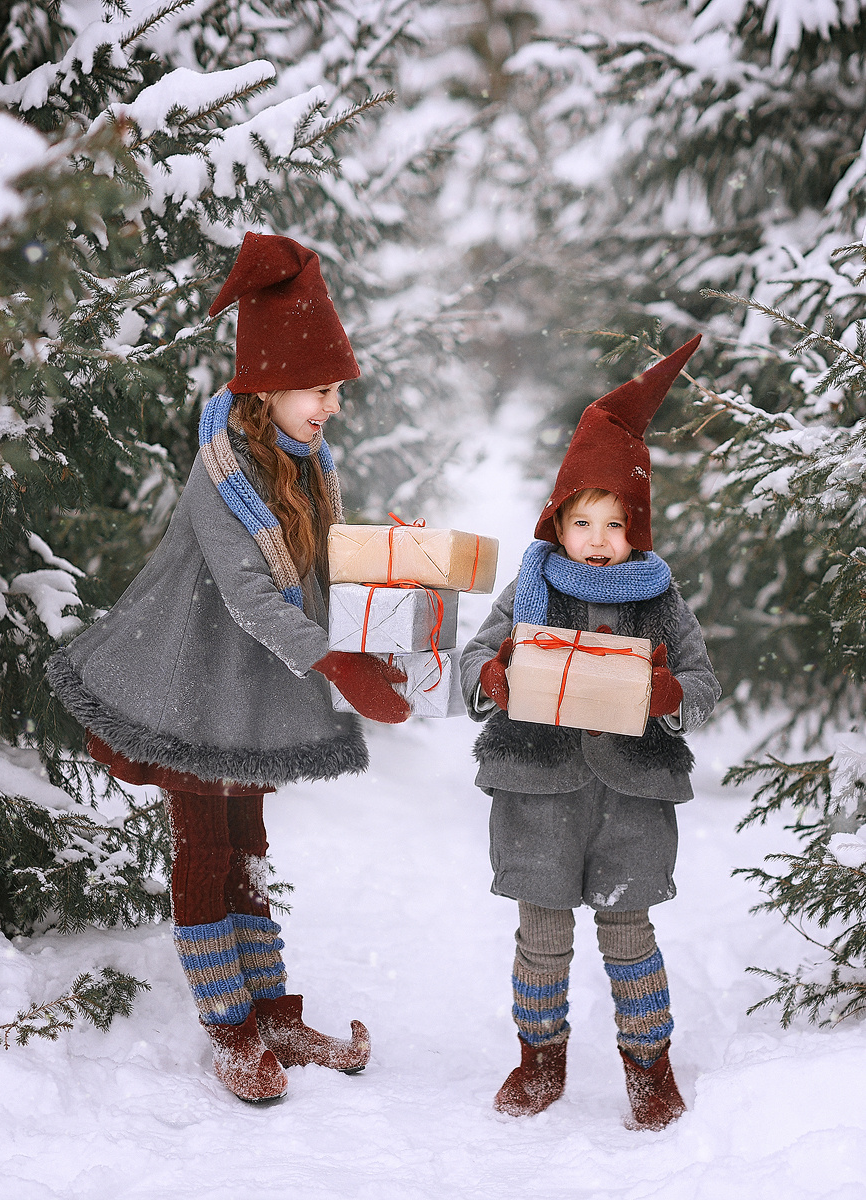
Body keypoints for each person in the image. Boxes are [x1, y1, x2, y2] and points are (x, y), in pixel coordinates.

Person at [47, 233, 411, 1104]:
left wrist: (390, 566)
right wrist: (335, 664)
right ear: (268, 388)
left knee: (247, 843)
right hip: (188, 674)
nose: (331, 407)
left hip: (252, 680)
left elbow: (320, 567)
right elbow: (249, 593)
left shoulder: (306, 462)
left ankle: (274, 1013)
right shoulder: (224, 469)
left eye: (335, 391)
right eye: (319, 390)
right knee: (205, 847)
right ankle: (231, 1028)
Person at [459, 336, 720, 1130]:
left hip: (631, 796)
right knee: (541, 934)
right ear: (558, 524)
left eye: (615, 523)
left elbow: (704, 686)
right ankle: (540, 1059)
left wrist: (670, 694)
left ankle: (648, 1065)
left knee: (628, 931)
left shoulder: (659, 598)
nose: (599, 540)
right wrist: (495, 676)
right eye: (583, 522)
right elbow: (474, 657)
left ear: (636, 529)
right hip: (538, 789)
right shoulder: (532, 585)